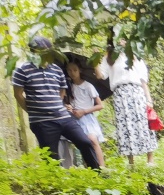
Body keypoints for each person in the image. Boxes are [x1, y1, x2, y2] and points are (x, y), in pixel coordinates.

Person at [11, 36, 101, 169]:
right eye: (39, 52)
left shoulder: (57, 70)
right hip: (42, 121)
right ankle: (55, 181)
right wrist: (33, 111)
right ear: (33, 52)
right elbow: (18, 95)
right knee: (51, 157)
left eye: (46, 51)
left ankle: (97, 173)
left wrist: (56, 105)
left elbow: (62, 91)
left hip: (63, 117)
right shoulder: (22, 70)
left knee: (85, 142)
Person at [96, 42, 157, 167]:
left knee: (143, 123)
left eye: (123, 38)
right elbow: (100, 75)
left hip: (136, 91)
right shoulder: (109, 57)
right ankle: (131, 162)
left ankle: (150, 160)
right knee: (125, 125)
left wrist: (149, 99)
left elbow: (143, 80)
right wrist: (95, 60)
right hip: (120, 94)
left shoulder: (134, 55)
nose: (121, 41)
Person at [64, 59, 105, 168]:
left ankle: (102, 167)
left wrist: (84, 111)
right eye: (69, 70)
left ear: (80, 70)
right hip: (74, 118)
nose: (72, 73)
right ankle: (90, 167)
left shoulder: (88, 86)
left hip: (87, 117)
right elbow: (68, 103)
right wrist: (69, 107)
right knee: (83, 144)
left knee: (93, 140)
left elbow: (100, 105)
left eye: (75, 70)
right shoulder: (68, 87)